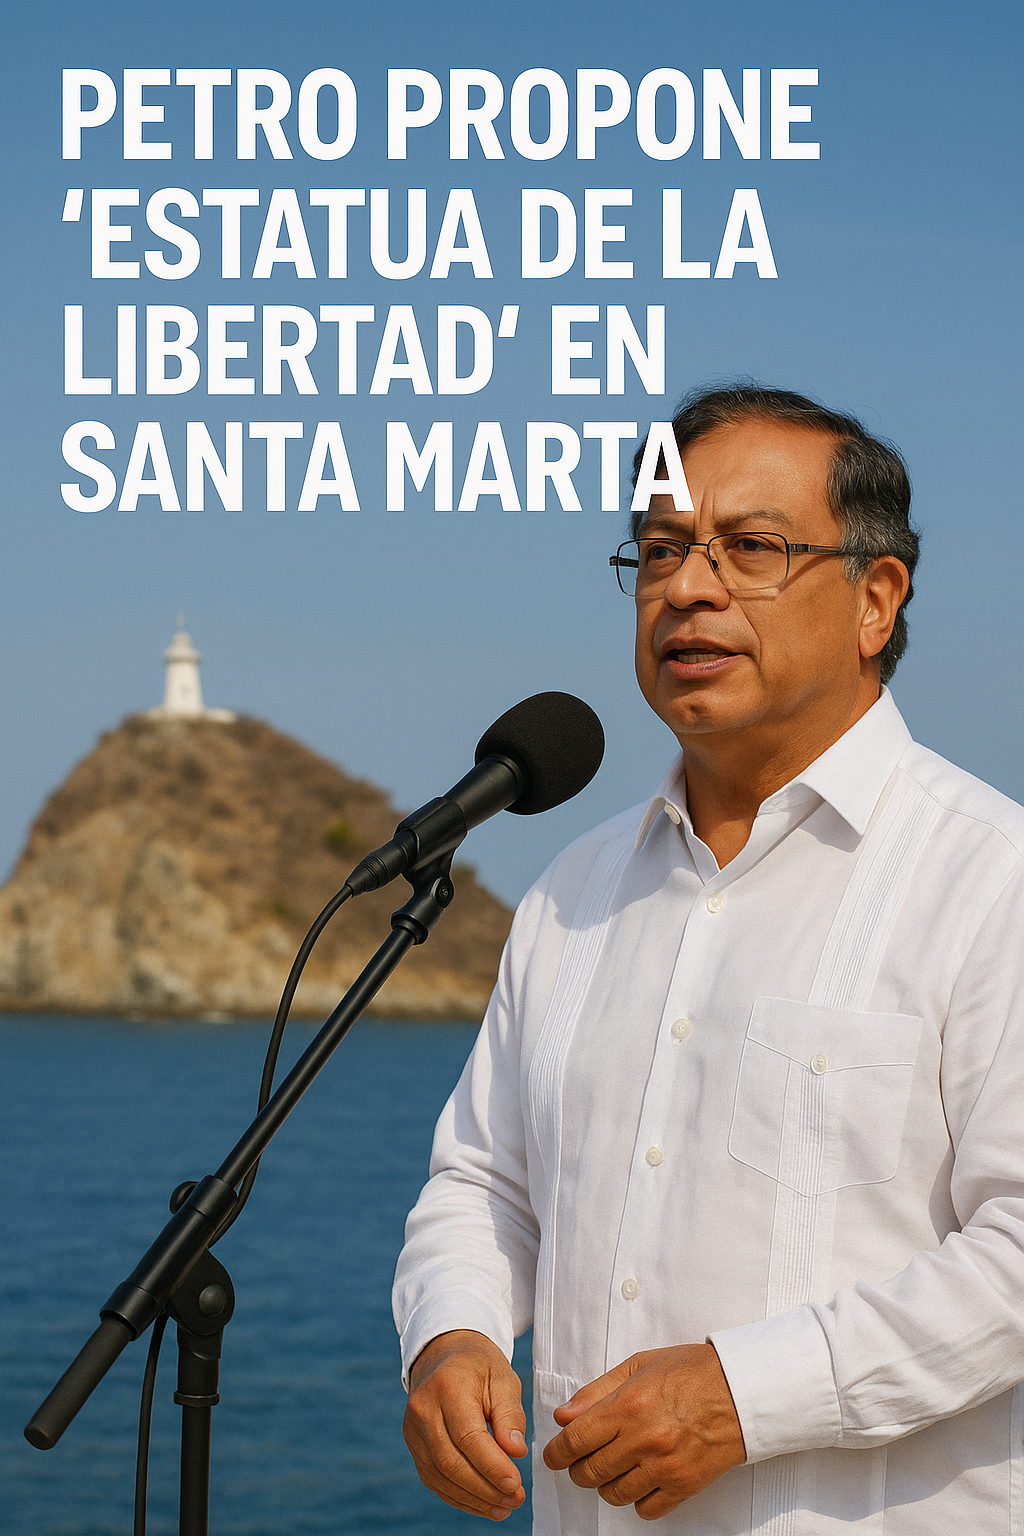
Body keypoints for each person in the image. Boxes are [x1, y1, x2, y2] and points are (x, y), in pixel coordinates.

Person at [392, 385, 1024, 1534]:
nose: (686, 585)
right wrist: (453, 1329)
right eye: (661, 549)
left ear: (875, 600)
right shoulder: (571, 891)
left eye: (750, 548)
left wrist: (746, 1396)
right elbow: (483, 1181)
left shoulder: (990, 879)